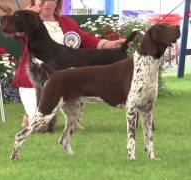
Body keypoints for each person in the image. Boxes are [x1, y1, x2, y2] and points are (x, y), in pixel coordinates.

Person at [17, 0, 126, 129]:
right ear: (34, 1)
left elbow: (86, 39)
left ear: (57, 3)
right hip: (35, 82)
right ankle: (30, 115)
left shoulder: (67, 22)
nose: (47, 4)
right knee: (36, 122)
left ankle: (71, 117)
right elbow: (16, 33)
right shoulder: (29, 21)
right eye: (43, 0)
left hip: (64, 79)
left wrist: (109, 44)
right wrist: (26, 16)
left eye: (51, 0)